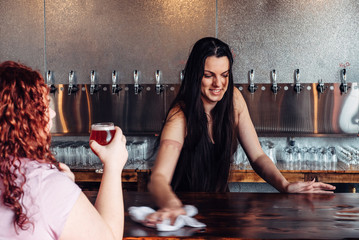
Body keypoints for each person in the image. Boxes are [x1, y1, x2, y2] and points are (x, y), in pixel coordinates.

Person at [146, 37, 336, 225]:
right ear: (195, 75)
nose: (218, 84)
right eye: (208, 75)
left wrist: (284, 185)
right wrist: (171, 204)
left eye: (225, 75)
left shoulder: (234, 100)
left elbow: (257, 157)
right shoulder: (179, 116)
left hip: (220, 208)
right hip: (180, 214)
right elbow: (159, 178)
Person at [0, 61, 127, 240]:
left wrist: (62, 188)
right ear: (22, 119)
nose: (52, 114)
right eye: (43, 108)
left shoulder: (47, 186)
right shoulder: (44, 185)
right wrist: (113, 166)